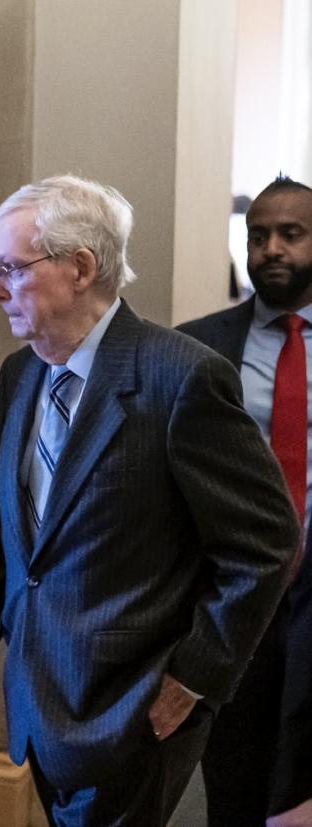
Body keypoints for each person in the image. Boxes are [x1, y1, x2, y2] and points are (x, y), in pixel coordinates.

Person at [0, 174, 300, 826]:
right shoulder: (22, 373)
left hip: (134, 711)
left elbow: (264, 543)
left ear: (80, 267)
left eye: (10, 269)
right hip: (40, 704)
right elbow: (4, 530)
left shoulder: (181, 378)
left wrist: (195, 677)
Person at [178, 175, 312, 827]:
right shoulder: (197, 347)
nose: (271, 249)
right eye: (258, 235)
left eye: (291, 234)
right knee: (233, 777)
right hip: (233, 601)